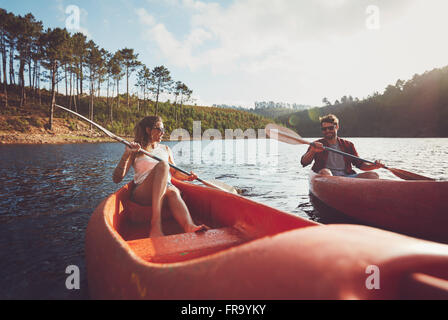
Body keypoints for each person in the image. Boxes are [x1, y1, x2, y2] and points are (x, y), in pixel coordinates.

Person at [113, 116, 208, 238]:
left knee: (173, 192)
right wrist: (127, 154)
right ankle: (155, 225)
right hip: (143, 192)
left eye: (163, 129)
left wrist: (188, 177)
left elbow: (175, 173)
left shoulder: (166, 149)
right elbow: (117, 179)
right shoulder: (136, 150)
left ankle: (189, 226)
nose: (163, 132)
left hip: (166, 190)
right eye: (160, 129)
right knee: (163, 166)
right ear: (148, 130)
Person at [300, 114, 384, 178]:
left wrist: (374, 166)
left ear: (337, 127)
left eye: (330, 128)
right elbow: (304, 162)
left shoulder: (348, 145)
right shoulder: (316, 144)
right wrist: (312, 151)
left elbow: (360, 165)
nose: (327, 131)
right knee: (325, 172)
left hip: (346, 177)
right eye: (324, 129)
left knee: (373, 175)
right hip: (326, 178)